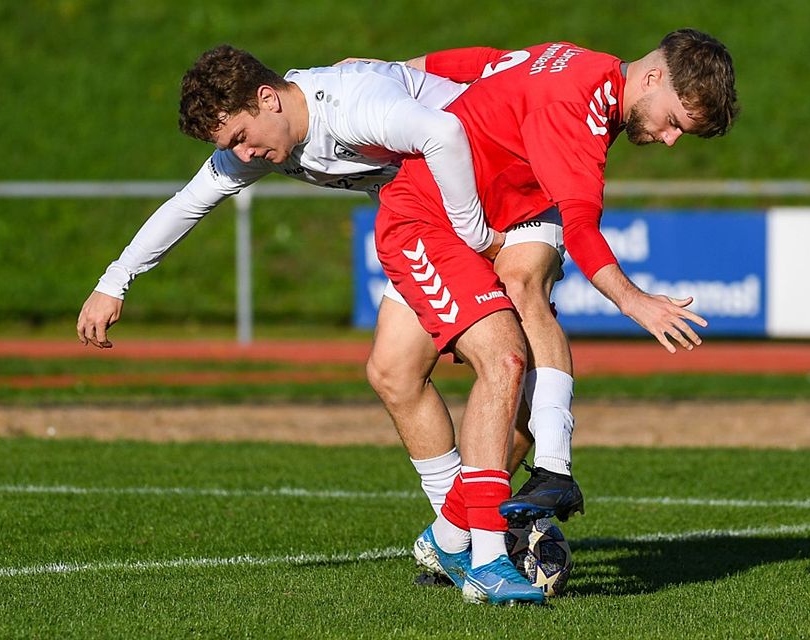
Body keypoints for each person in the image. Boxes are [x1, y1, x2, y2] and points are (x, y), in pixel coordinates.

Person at [74, 45, 577, 588]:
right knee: (394, 371)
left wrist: (474, 233)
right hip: (430, 215)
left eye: (242, 136)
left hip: (504, 194)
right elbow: (188, 202)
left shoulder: (351, 103)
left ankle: (496, 521)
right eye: (230, 146)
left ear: (268, 99)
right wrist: (114, 281)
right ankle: (457, 535)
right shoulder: (269, 139)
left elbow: (446, 133)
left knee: (508, 361)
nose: (241, 155)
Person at [373, 29, 738, 605]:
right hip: (446, 209)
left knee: (516, 317)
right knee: (392, 372)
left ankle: (536, 481)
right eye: (673, 122)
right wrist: (633, 299)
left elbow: (490, 63)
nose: (669, 140)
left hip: (514, 209)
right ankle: (454, 530)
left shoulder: (586, 63)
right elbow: (585, 228)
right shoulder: (579, 109)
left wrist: (398, 64)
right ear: (652, 77)